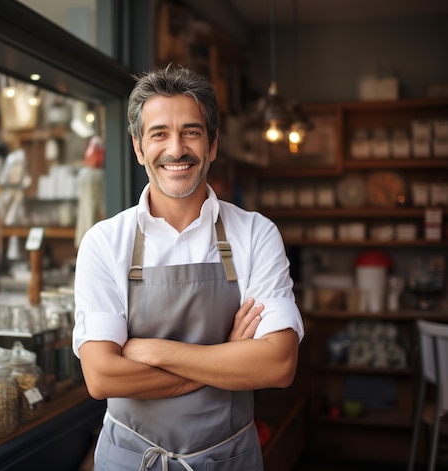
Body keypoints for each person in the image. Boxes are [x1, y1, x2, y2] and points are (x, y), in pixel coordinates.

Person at [72, 65, 304, 471]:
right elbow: (103, 378)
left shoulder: (254, 234)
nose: (176, 149)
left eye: (191, 132)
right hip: (131, 459)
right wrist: (229, 357)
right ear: (139, 148)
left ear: (213, 144)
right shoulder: (104, 242)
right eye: (159, 133)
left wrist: (155, 351)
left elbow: (278, 365)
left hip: (228, 458)